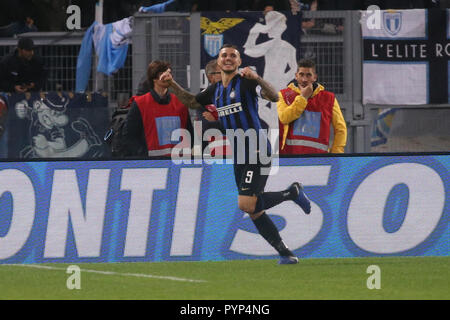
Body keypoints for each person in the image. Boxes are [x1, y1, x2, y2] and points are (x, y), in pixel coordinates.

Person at [160, 44, 311, 265]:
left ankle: (292, 193)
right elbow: (193, 101)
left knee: (246, 204)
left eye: (233, 56)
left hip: (257, 149)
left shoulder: (247, 82)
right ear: (218, 61)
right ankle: (286, 253)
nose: (228, 58)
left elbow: (274, 97)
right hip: (239, 152)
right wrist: (172, 84)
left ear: (239, 62)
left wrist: (257, 78)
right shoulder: (215, 90)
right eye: (224, 55)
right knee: (254, 210)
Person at [277, 58, 347, 154]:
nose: (304, 79)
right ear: (296, 76)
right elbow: (284, 118)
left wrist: (336, 154)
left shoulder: (329, 98)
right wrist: (303, 97)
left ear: (315, 77)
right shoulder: (284, 95)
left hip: (319, 160)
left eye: (308, 75)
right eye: (301, 74)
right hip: (290, 159)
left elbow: (340, 129)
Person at [122, 60, 191, 157]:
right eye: (163, 73)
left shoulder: (180, 103)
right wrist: (142, 155)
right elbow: (129, 136)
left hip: (178, 161)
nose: (167, 76)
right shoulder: (140, 104)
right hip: (151, 165)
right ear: (154, 78)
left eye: (169, 73)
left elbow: (188, 132)